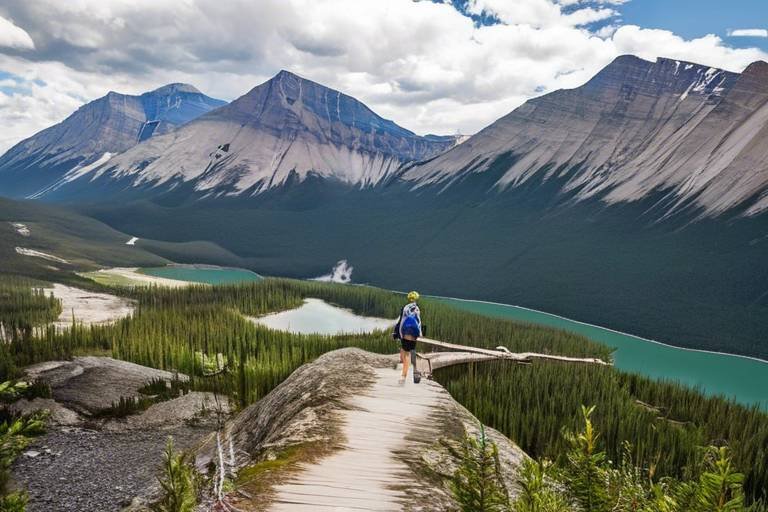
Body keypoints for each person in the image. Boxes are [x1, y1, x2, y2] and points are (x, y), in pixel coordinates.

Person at [392, 291, 423, 384]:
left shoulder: (405, 308)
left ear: (409, 298)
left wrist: (396, 333)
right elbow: (419, 323)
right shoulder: (417, 309)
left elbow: (401, 322)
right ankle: (414, 371)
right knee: (409, 352)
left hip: (405, 335)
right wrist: (420, 334)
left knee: (406, 355)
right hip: (414, 336)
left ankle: (403, 377)